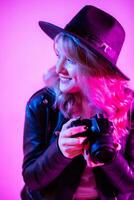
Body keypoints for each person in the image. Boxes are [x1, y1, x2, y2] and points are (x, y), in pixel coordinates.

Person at [21, 5, 134, 200]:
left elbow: (130, 185)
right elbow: (31, 179)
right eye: (59, 56)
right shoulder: (42, 104)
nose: (58, 68)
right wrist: (59, 151)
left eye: (71, 60)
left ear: (97, 68)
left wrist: (111, 158)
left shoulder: (129, 106)